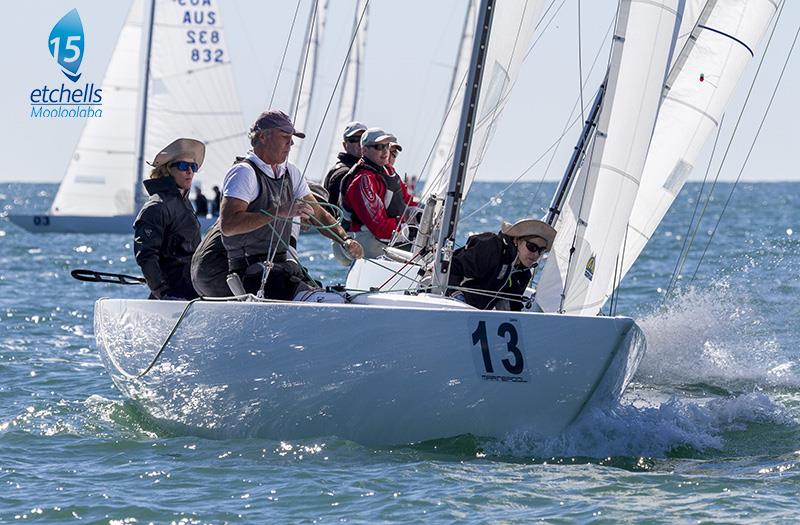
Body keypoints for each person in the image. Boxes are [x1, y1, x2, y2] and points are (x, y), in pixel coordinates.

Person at [191, 109, 363, 299]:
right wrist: (278, 212)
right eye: (285, 137)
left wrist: (345, 240)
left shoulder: (291, 172)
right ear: (263, 137)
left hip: (280, 268)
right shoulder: (244, 173)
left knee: (334, 295)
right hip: (251, 272)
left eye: (292, 138)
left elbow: (319, 214)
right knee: (322, 301)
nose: (291, 143)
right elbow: (229, 225)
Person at [133, 138, 205, 300]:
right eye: (183, 166)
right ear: (167, 170)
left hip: (193, 292)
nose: (190, 171)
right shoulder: (155, 207)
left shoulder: (184, 204)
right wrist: (164, 294)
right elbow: (146, 255)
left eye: (193, 167)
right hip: (172, 298)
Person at [446, 218, 557, 311]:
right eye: (532, 247)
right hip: (447, 306)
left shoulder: (523, 274)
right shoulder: (491, 248)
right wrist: (458, 300)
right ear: (517, 240)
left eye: (541, 250)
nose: (536, 255)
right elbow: (452, 267)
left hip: (474, 317)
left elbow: (511, 307)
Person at [341, 128, 417, 258]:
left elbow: (407, 201)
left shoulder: (388, 171)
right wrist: (409, 231)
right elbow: (379, 227)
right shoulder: (363, 179)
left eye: (387, 146)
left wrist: (419, 214)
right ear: (364, 150)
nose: (385, 151)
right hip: (369, 243)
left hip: (391, 239)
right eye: (378, 147)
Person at [323, 121, 367, 221]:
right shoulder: (342, 173)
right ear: (344, 144)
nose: (359, 143)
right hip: (349, 233)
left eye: (362, 139)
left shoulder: (365, 170)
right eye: (353, 140)